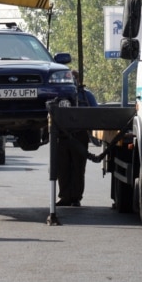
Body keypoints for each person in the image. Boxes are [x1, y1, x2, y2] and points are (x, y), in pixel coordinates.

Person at [56, 70, 98, 207]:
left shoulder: (86, 96)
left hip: (80, 135)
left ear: (79, 80)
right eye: (70, 78)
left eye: (75, 78)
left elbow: (96, 113)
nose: (73, 80)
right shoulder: (60, 96)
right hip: (62, 136)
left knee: (78, 168)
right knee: (62, 168)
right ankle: (65, 197)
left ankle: (76, 197)